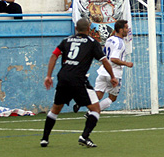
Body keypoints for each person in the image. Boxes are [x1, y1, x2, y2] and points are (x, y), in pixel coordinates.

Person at [40, 18, 118, 148]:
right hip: (78, 80)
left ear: (76, 28)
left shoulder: (66, 40)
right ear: (89, 29)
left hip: (63, 78)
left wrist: (48, 76)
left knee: (55, 109)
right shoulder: (92, 42)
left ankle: (44, 139)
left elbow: (54, 55)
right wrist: (113, 76)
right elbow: (104, 61)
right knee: (95, 110)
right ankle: (84, 136)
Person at [73, 20, 132, 114]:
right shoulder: (120, 43)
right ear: (120, 30)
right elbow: (114, 59)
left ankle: (80, 102)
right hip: (114, 73)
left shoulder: (110, 39)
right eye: (126, 28)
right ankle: (91, 113)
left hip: (103, 71)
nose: (127, 29)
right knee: (112, 97)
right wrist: (126, 63)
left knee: (98, 95)